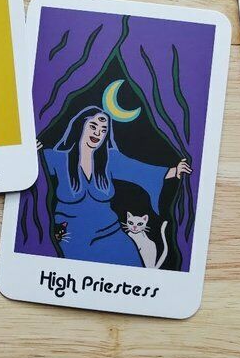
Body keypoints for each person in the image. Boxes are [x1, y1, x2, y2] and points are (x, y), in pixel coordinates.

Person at [39, 106, 191, 267]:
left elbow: (139, 170)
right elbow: (34, 165)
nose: (98, 133)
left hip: (111, 233)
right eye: (93, 126)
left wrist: (174, 171)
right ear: (80, 126)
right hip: (73, 238)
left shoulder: (110, 159)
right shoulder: (57, 158)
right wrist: (30, 150)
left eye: (103, 130)